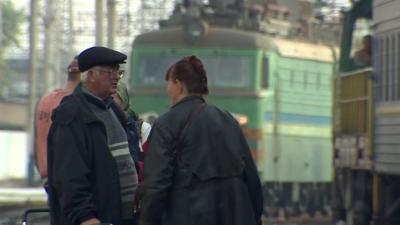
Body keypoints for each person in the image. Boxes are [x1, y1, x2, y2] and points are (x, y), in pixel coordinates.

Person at [135, 55, 264, 225]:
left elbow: (155, 184)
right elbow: (251, 179)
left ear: (179, 85)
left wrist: (146, 220)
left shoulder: (167, 124)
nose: (168, 89)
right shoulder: (227, 120)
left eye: (169, 83)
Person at [47, 46, 138, 225]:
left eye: (117, 72)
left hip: (122, 216)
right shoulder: (72, 114)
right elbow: (69, 173)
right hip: (95, 218)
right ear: (90, 75)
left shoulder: (112, 110)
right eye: (109, 72)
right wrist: (84, 216)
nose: (116, 78)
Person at [34, 56, 81, 180]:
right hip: (67, 177)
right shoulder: (78, 103)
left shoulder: (45, 100)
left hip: (46, 173)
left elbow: (37, 140)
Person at [112, 82, 151, 181]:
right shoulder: (103, 126)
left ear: (123, 100)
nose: (109, 102)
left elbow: (151, 164)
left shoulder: (142, 128)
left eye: (113, 98)